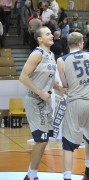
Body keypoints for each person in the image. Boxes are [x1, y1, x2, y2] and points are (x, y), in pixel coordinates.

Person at [19, 26, 61, 180]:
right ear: (40, 39)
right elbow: (23, 77)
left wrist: (63, 90)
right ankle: (31, 176)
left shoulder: (52, 54)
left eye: (51, 33)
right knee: (41, 140)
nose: (52, 35)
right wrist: (40, 93)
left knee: (44, 140)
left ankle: (31, 174)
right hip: (35, 101)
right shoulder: (37, 54)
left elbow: (51, 82)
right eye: (48, 34)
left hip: (45, 102)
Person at [56, 32, 89, 180]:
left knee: (68, 144)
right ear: (81, 43)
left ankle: (67, 177)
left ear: (68, 44)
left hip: (76, 102)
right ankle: (88, 172)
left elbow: (64, 85)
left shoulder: (62, 60)